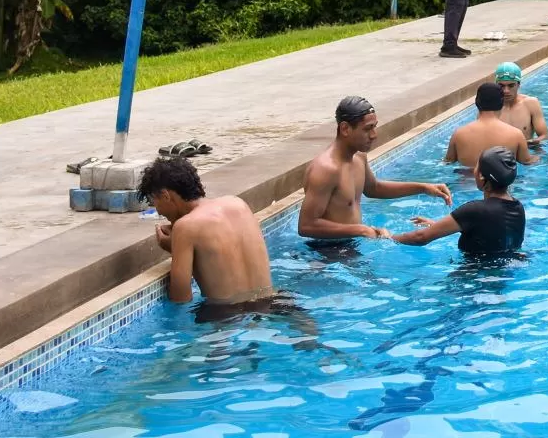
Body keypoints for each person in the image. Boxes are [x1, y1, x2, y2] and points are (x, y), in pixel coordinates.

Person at [297, 96, 451, 240]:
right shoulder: (325, 169)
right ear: (345, 129)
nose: (374, 135)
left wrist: (423, 188)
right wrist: (361, 230)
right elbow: (306, 225)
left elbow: (373, 188)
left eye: (374, 127)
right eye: (367, 129)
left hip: (353, 244)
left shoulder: (359, 157)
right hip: (326, 254)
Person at [140, 156, 274, 308]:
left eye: (154, 202)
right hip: (271, 304)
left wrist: (176, 248)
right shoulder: (238, 204)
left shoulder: (186, 227)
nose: (157, 210)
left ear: (165, 195)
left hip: (226, 317)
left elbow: (180, 298)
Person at [394, 146, 526, 256]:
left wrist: (388, 237)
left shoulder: (475, 210)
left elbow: (421, 237)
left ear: (481, 176)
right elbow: (487, 233)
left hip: (472, 278)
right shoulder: (518, 208)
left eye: (476, 166)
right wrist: (435, 226)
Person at [444, 81, 535, 170]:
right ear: (502, 103)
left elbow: (447, 162)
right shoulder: (516, 135)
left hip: (465, 183)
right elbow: (527, 162)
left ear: (477, 102)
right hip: (501, 184)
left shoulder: (459, 134)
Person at [492, 62, 548, 145]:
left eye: (511, 86)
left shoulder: (531, 104)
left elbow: (544, 136)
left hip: (527, 151)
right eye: (501, 86)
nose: (506, 91)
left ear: (518, 85)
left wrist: (525, 145)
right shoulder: (489, 106)